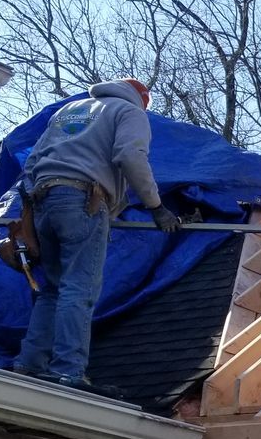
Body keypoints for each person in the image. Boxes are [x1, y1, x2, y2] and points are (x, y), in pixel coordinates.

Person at [12, 79, 180, 388]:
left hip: (43, 201)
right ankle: (68, 370)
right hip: (82, 199)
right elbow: (130, 156)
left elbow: (32, 162)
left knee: (53, 288)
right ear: (142, 101)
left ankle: (29, 363)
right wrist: (156, 206)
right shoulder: (128, 112)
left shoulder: (68, 111)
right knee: (79, 287)